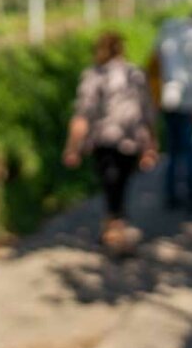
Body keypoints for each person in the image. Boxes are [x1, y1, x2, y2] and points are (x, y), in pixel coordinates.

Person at [63, 32, 158, 250]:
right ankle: (114, 227)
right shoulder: (135, 73)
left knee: (110, 185)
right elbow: (148, 111)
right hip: (130, 140)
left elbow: (82, 115)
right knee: (120, 184)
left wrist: (72, 147)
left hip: (103, 141)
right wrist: (151, 143)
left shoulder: (94, 75)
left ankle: (114, 229)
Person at [149, 10, 192, 212]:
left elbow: (154, 63)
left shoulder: (166, 31)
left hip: (167, 99)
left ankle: (170, 194)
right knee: (189, 149)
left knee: (173, 149)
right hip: (189, 101)